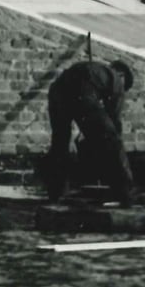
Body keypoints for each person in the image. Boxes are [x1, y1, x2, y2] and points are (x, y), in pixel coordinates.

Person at [43, 60, 135, 205]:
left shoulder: (96, 69)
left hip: (57, 90)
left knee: (60, 142)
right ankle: (125, 194)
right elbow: (114, 120)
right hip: (82, 91)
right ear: (122, 74)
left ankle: (56, 194)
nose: (123, 90)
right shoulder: (116, 79)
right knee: (112, 140)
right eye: (125, 87)